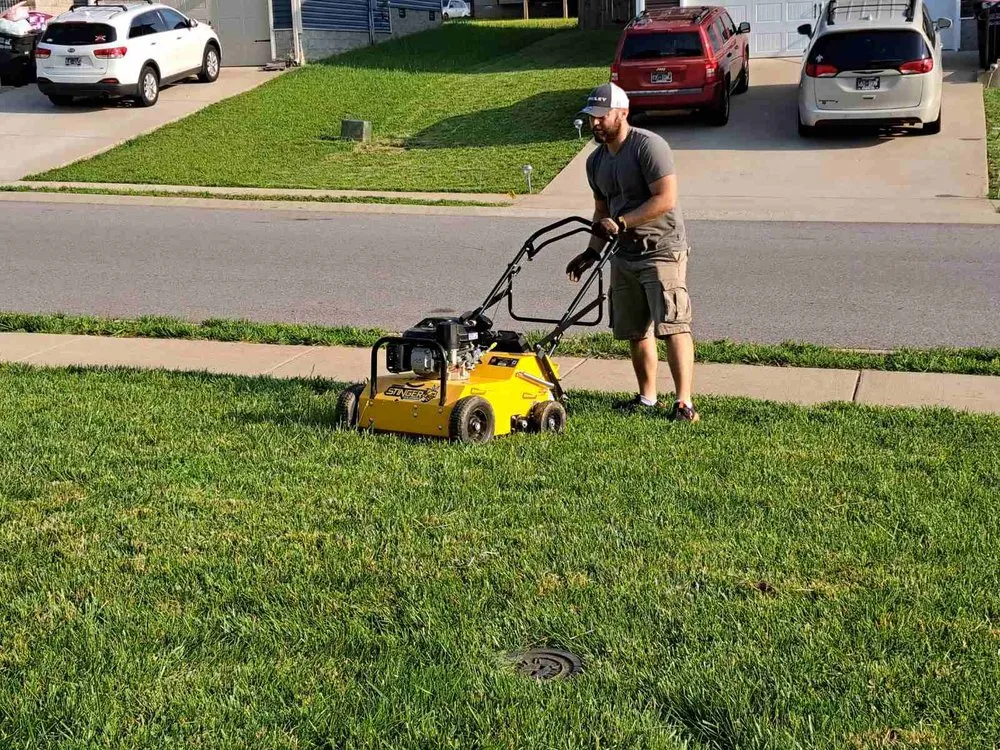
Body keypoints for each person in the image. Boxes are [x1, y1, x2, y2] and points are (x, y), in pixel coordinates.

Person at [566, 82, 699, 422]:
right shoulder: (595, 161)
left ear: (622, 113)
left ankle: (684, 403)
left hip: (661, 249)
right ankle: (647, 398)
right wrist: (591, 252)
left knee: (672, 325)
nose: (595, 123)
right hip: (623, 254)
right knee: (635, 331)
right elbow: (600, 211)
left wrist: (622, 222)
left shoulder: (648, 147)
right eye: (591, 116)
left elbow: (665, 198)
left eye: (602, 116)